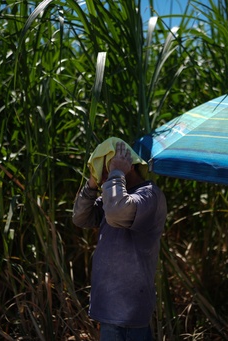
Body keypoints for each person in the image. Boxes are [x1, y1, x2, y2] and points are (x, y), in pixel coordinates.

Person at [72, 137, 167, 341]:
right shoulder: (113, 196)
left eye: (106, 170)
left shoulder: (150, 196)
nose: (104, 178)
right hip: (110, 308)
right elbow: (81, 218)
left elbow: (117, 212)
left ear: (128, 166)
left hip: (129, 311)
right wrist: (91, 185)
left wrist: (116, 172)